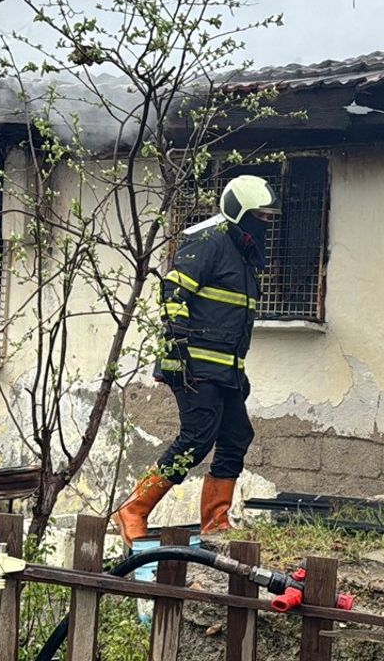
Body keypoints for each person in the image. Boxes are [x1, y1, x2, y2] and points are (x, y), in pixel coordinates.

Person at [113, 174, 280, 546]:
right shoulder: (208, 241)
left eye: (270, 217)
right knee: (197, 436)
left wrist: (237, 371)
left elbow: (231, 320)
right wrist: (179, 350)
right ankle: (134, 510)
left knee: (236, 435)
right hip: (193, 365)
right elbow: (173, 293)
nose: (266, 223)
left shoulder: (243, 252)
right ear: (239, 212)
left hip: (224, 369)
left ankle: (216, 522)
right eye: (261, 216)